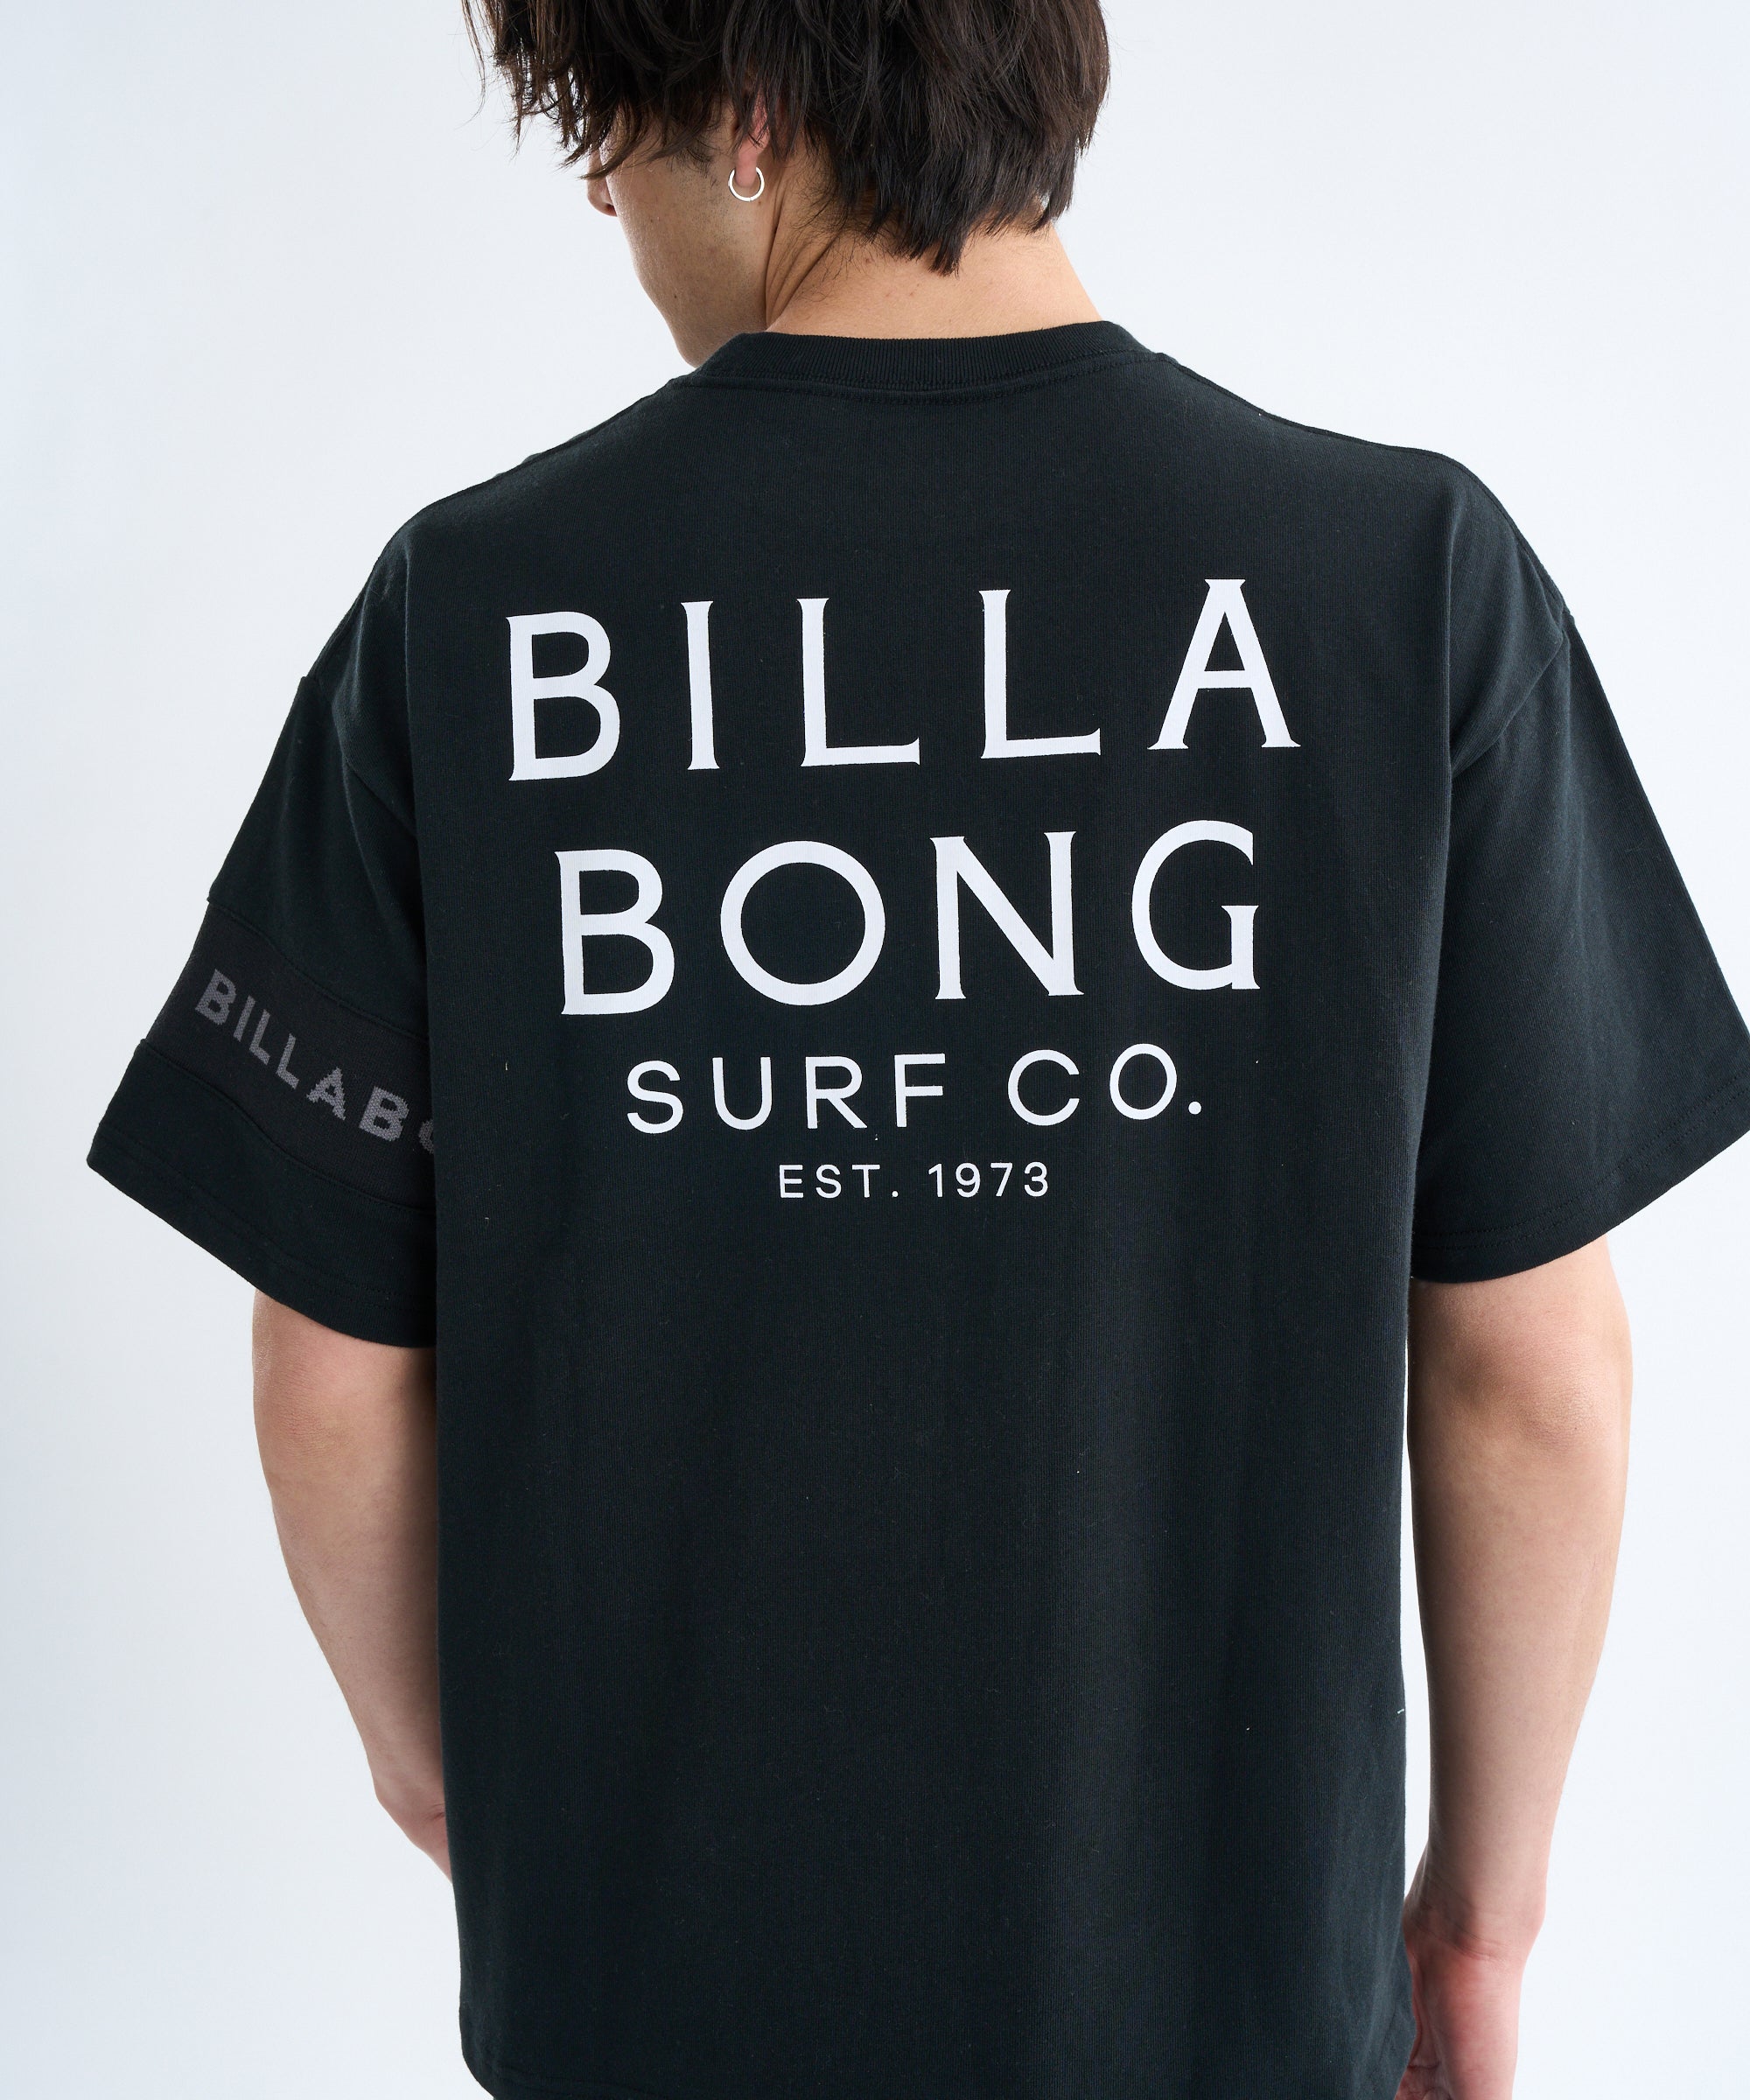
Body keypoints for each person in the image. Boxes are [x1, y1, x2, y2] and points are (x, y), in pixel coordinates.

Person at [87, 4, 1749, 2096]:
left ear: (749, 113)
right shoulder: (1405, 585)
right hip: (1225, 2007)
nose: (600, 196)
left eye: (608, 131)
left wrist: (460, 1787)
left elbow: (330, 1371)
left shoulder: (469, 614)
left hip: (654, 2003)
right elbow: (1525, 1374)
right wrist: (1478, 1925)